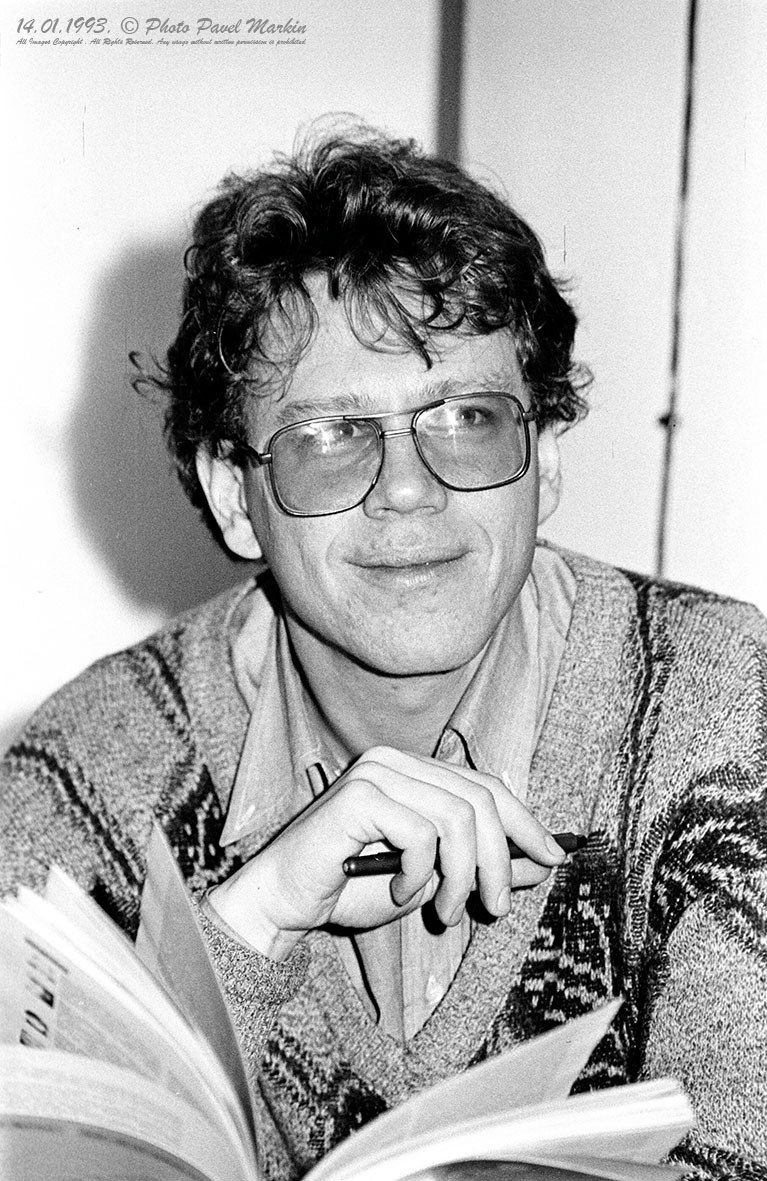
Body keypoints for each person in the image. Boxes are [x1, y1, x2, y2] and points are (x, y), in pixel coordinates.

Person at [2, 124, 766, 1181]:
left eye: (467, 418)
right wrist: (245, 922)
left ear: (543, 460)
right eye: (330, 437)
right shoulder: (87, 775)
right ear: (235, 495)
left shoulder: (724, 715)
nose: (407, 489)